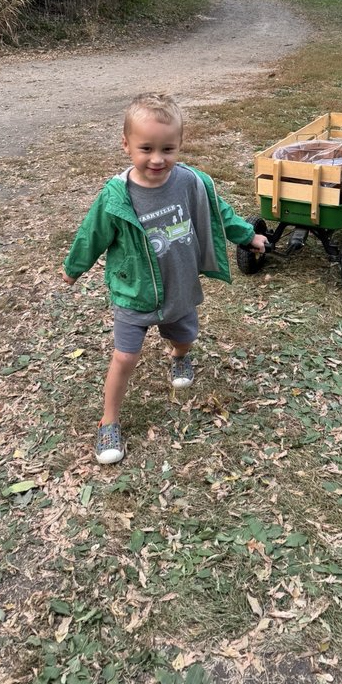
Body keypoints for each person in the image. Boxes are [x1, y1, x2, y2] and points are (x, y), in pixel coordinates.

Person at [61, 92, 268, 464]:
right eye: (146, 148)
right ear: (126, 145)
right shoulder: (116, 197)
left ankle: (179, 357)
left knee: (186, 337)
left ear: (180, 145)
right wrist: (73, 268)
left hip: (180, 288)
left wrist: (246, 235)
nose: (157, 159)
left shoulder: (191, 182)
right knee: (125, 356)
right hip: (135, 293)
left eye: (168, 148)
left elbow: (220, 213)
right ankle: (109, 421)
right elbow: (91, 234)